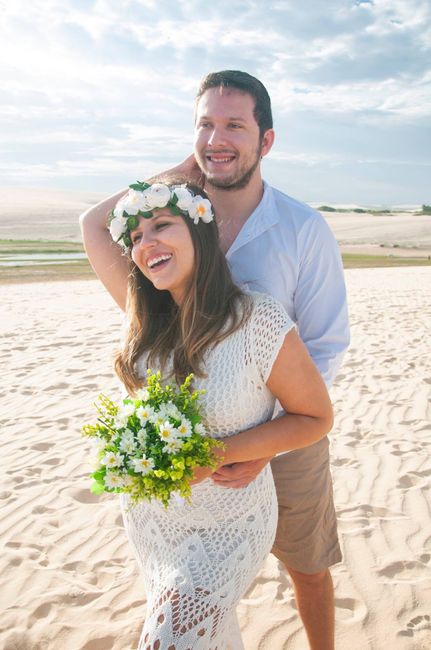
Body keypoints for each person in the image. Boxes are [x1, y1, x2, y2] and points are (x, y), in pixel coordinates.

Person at [80, 70, 349, 650]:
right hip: (190, 452)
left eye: (234, 125)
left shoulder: (302, 228)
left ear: (266, 141)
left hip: (286, 421)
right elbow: (97, 227)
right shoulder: (172, 222)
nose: (217, 137)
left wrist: (266, 441)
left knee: (307, 563)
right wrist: (178, 174)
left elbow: (324, 345)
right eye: (205, 124)